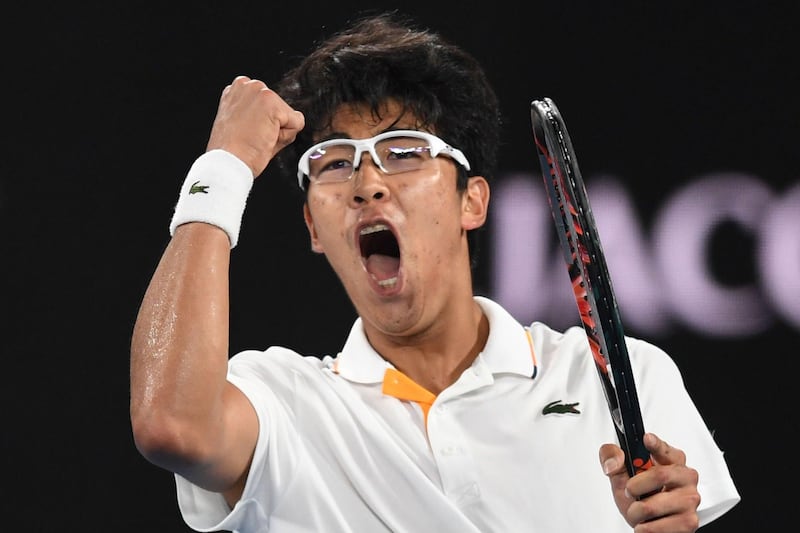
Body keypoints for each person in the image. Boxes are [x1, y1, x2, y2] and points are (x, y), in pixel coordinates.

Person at [129, 11, 740, 533]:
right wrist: (225, 167)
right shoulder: (283, 405)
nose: (368, 184)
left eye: (402, 153)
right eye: (335, 163)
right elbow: (171, 425)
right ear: (314, 228)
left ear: (471, 200)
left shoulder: (621, 379)